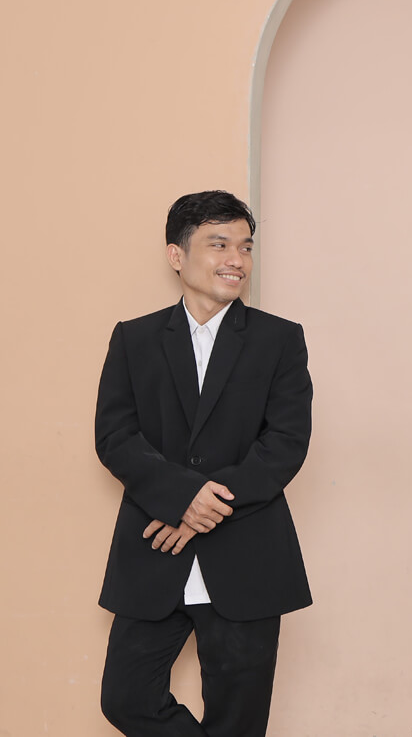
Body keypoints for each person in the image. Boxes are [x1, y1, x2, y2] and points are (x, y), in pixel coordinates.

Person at [95, 190, 313, 737]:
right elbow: (115, 436)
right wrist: (180, 499)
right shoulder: (134, 339)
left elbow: (285, 443)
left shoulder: (280, 340)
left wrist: (201, 507)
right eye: (219, 244)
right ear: (177, 254)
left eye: (245, 247)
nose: (236, 259)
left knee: (240, 721)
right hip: (154, 553)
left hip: (248, 557)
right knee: (126, 699)